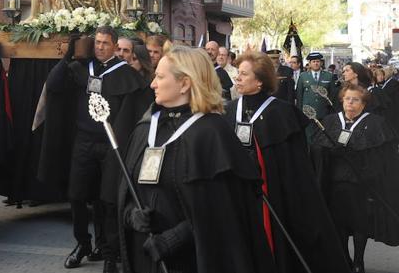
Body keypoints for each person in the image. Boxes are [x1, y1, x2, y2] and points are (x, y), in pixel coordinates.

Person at [119, 45, 277, 273]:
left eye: (160, 77)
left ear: (184, 83)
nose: (153, 83)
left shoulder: (212, 134)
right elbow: (125, 189)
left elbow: (224, 212)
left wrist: (174, 238)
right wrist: (131, 216)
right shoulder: (146, 128)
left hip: (193, 260)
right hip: (144, 256)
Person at [224, 51, 350, 273]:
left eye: (244, 74)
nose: (238, 78)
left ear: (260, 80)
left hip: (275, 196)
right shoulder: (230, 110)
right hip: (237, 196)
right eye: (238, 73)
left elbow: (296, 167)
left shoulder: (281, 112)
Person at [40, 26, 153, 273]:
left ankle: (111, 253)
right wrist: (68, 55)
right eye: (97, 42)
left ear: (114, 46)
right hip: (83, 140)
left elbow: (136, 110)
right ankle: (82, 243)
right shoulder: (82, 68)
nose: (100, 47)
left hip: (112, 145)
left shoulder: (126, 74)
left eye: (105, 43)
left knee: (109, 200)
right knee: (77, 195)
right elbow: (54, 84)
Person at [311, 83, 399, 273]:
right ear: (342, 100)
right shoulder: (331, 121)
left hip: (361, 183)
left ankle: (359, 261)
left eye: (355, 99)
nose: (350, 102)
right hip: (335, 182)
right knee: (339, 223)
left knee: (360, 223)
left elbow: (382, 154)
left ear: (363, 103)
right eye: (347, 99)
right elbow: (316, 149)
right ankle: (345, 258)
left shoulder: (375, 123)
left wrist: (359, 156)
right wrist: (328, 151)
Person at [296, 52, 336, 131]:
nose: (316, 63)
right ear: (309, 64)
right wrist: (300, 113)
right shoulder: (303, 76)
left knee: (323, 136)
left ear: (321, 63)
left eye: (318, 61)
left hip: (324, 112)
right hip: (307, 113)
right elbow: (299, 96)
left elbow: (332, 95)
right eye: (313, 62)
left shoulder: (329, 76)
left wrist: (330, 111)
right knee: (309, 136)